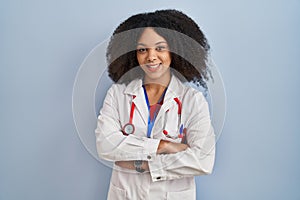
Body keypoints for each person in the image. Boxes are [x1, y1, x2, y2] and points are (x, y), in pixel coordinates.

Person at [95, 9, 215, 200]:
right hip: (126, 194)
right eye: (143, 49)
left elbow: (202, 160)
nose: (151, 57)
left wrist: (142, 165)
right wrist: (163, 146)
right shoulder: (118, 94)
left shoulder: (193, 100)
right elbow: (105, 144)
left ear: (176, 50)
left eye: (160, 48)